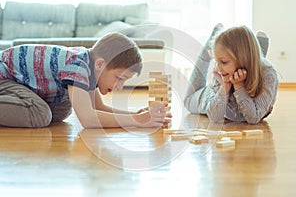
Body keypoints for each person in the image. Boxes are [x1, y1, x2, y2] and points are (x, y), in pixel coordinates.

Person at [0, 32, 171, 128]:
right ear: (100, 64)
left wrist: (136, 114)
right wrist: (139, 121)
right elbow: (88, 119)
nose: (120, 87)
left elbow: (98, 107)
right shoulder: (78, 65)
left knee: (62, 110)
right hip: (4, 75)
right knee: (41, 114)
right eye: (119, 78)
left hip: (20, 83)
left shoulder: (89, 66)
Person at [184, 24, 279, 124]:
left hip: (252, 72)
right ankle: (207, 51)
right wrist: (225, 85)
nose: (217, 68)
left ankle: (257, 53)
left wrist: (239, 86)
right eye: (216, 61)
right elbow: (215, 117)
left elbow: (253, 117)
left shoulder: (268, 75)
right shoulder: (221, 73)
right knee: (188, 100)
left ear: (243, 58)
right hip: (209, 99)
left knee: (257, 67)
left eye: (224, 62)